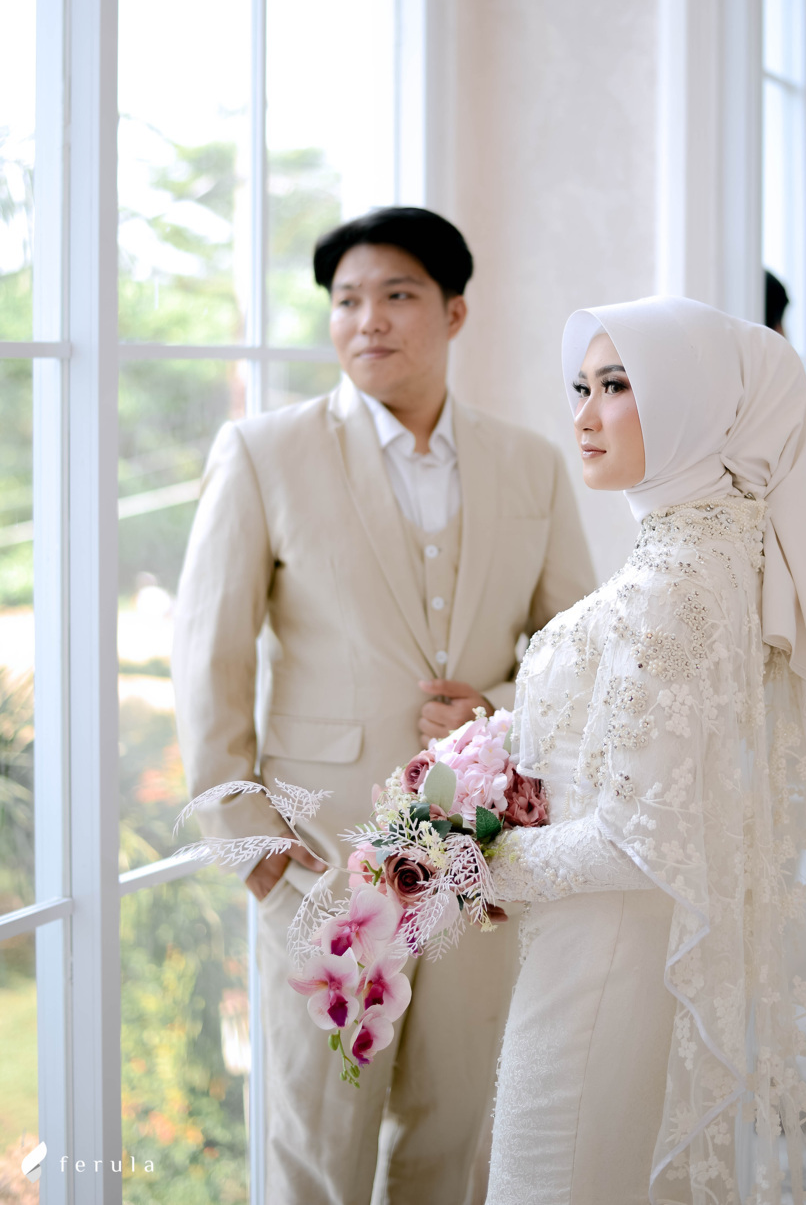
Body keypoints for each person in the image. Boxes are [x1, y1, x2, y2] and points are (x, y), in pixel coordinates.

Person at [484, 295, 806, 1204]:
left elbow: (639, 840)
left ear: (692, 404)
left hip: (600, 968)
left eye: (616, 386)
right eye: (580, 387)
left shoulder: (676, 583)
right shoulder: (702, 555)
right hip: (600, 953)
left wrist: (475, 862)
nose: (584, 416)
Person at [172, 207, 594, 1205]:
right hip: (321, 853)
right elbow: (208, 650)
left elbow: (578, 649)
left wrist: (493, 705)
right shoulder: (264, 452)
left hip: (479, 853)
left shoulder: (529, 463)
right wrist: (244, 831)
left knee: (453, 1128)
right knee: (316, 1142)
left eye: (396, 295)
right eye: (346, 300)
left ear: (454, 313)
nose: (367, 320)